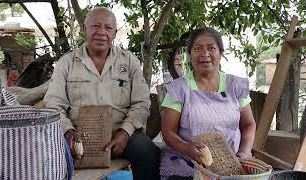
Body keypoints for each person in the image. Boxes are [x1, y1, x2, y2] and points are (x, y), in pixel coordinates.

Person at [44, 7, 160, 180]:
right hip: (78, 136)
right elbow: (54, 105)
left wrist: (125, 132)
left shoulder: (128, 61)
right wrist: (67, 131)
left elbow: (142, 102)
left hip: (121, 132)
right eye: (95, 26)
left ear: (114, 33)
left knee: (148, 153)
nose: (101, 32)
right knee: (49, 159)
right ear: (84, 28)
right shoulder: (66, 63)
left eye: (108, 28)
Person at [160, 27, 256, 180]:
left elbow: (248, 125)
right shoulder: (178, 89)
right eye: (197, 49)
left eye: (211, 48)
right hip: (186, 163)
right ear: (189, 55)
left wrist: (244, 153)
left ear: (220, 53)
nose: (205, 54)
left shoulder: (235, 86)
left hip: (232, 164)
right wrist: (187, 148)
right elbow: (168, 132)